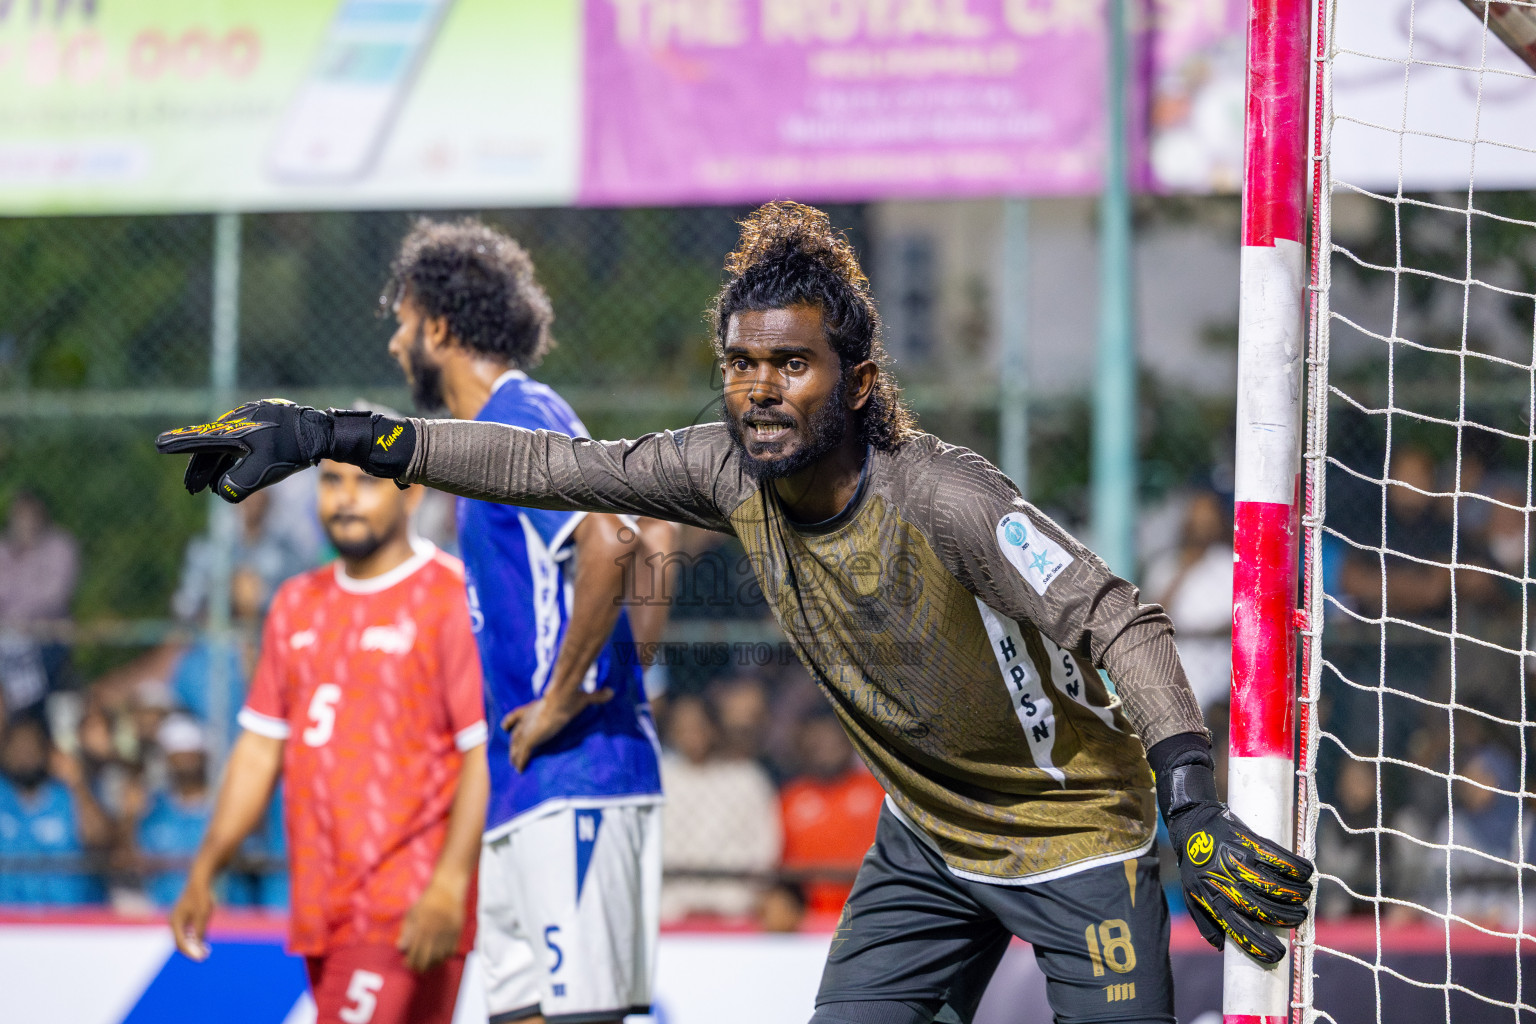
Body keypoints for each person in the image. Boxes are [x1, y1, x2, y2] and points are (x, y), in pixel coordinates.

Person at [159, 201, 1316, 1024]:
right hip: (924, 846)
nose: (761, 387)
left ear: (857, 380)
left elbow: (1125, 622)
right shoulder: (719, 465)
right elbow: (550, 470)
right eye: (743, 363)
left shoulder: (949, 497)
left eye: (793, 365)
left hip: (1079, 840)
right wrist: (331, 431)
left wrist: (1191, 804)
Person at [379, 219, 667, 1024]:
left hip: (578, 775)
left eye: (403, 324)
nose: (397, 345)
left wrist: (565, 695)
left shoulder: (522, 411)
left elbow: (615, 538)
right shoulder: (479, 443)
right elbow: (652, 535)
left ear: (438, 326)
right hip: (525, 787)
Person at [168, 458, 488, 1024]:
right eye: (332, 481)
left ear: (411, 495)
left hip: (404, 904)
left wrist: (450, 885)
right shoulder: (295, 604)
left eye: (366, 481)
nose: (345, 498)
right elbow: (259, 750)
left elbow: (481, 752)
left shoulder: (449, 596)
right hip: (321, 901)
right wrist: (206, 866)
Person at [658, 693, 780, 921]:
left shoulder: (746, 779)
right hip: (669, 907)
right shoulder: (658, 778)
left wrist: (750, 894)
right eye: (682, 727)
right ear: (671, 731)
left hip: (735, 905)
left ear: (714, 728)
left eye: (698, 725)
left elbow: (766, 845)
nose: (691, 734)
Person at [779, 711, 885, 916]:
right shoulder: (790, 798)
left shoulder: (878, 791)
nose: (825, 749)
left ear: (848, 743)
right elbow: (781, 867)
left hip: (869, 911)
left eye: (832, 741)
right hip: (807, 916)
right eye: (817, 742)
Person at [0, 716, 111, 905]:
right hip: (8, 920)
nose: (24, 757)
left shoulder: (67, 795)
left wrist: (77, 784)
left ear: (46, 751)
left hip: (64, 920)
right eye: (17, 748)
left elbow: (100, 839)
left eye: (31, 748)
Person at [1141, 490, 1234, 712]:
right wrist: (1185, 570)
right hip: (1174, 671)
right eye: (1197, 518)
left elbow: (1238, 619)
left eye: (1209, 519)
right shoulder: (1166, 565)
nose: (1202, 525)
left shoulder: (1229, 564)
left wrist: (1205, 632)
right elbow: (1151, 617)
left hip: (1221, 673)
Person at [128, 714, 214, 907]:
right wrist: (130, 817)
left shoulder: (224, 807)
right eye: (177, 756)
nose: (184, 762)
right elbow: (131, 861)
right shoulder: (152, 808)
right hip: (161, 915)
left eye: (190, 754)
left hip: (220, 917)